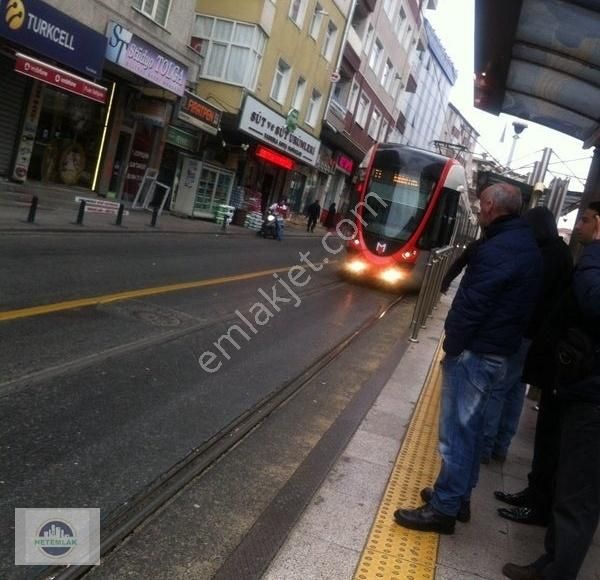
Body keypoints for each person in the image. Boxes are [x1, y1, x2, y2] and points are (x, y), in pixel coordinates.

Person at [393, 183, 543, 535]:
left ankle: (443, 508)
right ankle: (458, 497)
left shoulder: (498, 248)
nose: (478, 209)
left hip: (476, 353)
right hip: (498, 350)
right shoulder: (524, 245)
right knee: (472, 432)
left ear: (491, 206)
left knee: (456, 434)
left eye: (480, 204)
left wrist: (453, 347)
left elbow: (473, 305)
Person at [503, 201, 600, 580]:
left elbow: (594, 301)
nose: (580, 225)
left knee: (579, 496)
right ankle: (551, 562)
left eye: (588, 220)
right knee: (571, 487)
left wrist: (596, 249)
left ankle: (556, 573)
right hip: (584, 390)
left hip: (594, 397)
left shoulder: (593, 257)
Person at [481, 207, 573, 466]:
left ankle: (486, 444)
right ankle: (501, 444)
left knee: (499, 387)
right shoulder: (564, 253)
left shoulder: (542, 254)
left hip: (524, 331)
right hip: (541, 336)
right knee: (515, 390)